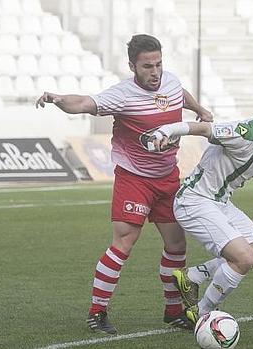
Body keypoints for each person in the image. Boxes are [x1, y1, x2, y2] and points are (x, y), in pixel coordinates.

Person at [35, 34, 213, 334]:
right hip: (135, 179)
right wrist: (57, 99)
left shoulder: (169, 81)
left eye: (158, 64)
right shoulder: (122, 95)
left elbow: (180, 94)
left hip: (168, 177)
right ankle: (97, 311)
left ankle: (173, 312)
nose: (154, 72)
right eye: (147, 66)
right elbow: (84, 102)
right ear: (133, 66)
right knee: (124, 244)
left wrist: (199, 108)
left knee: (177, 244)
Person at [149, 90, 253, 323]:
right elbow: (204, 129)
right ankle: (201, 312)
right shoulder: (245, 132)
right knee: (244, 257)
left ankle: (194, 276)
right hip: (194, 200)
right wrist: (166, 130)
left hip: (220, 203)